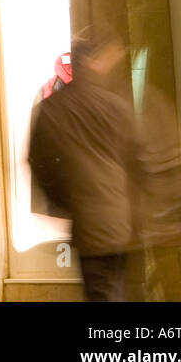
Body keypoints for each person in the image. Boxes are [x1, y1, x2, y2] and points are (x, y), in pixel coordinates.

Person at [28, 27, 141, 301]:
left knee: (102, 293)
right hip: (122, 220)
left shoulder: (53, 109)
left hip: (90, 222)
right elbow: (138, 158)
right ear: (93, 63)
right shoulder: (115, 106)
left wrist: (65, 201)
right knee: (116, 289)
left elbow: (38, 162)